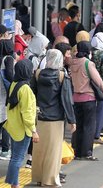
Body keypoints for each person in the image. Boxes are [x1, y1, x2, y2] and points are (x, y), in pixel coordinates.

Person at [31, 49, 76, 187]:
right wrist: (71, 120)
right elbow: (66, 99)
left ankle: (38, 176)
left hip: (39, 117)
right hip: (55, 119)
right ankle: (49, 179)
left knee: (39, 150)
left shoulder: (37, 74)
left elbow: (32, 95)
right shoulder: (62, 76)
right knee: (53, 150)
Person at [4, 59, 38, 188]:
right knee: (17, 159)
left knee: (14, 157)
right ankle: (14, 184)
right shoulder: (26, 89)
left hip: (13, 126)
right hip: (22, 129)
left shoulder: (14, 84)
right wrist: (33, 130)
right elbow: (27, 113)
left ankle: (13, 183)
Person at [70, 41, 103, 160]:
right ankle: (87, 152)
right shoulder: (87, 63)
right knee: (89, 126)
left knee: (79, 125)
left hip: (76, 98)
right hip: (88, 98)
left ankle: (77, 152)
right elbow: (98, 80)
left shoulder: (72, 62)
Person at [0, 39, 15, 160]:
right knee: (6, 121)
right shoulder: (9, 59)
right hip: (6, 93)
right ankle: (5, 150)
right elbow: (10, 74)